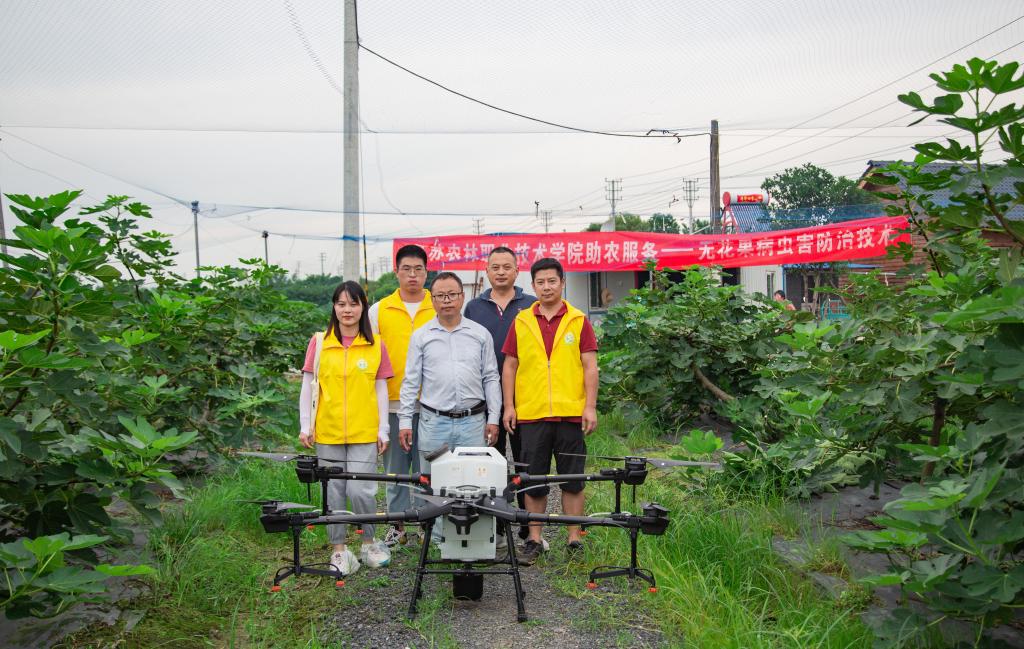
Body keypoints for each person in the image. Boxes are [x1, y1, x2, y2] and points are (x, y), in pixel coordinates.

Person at [501, 258, 599, 566]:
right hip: (532, 414)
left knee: (573, 479)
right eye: (540, 282)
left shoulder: (578, 320)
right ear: (533, 286)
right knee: (533, 480)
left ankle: (574, 538)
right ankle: (534, 539)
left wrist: (590, 406)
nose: (547, 287)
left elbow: (590, 366)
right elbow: (510, 366)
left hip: (570, 413)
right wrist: (509, 406)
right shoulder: (521, 321)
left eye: (552, 281)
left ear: (562, 283)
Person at [399, 272, 502, 542]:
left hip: (473, 422)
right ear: (432, 300)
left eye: (452, 295)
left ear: (462, 297)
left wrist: (494, 418)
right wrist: (405, 421)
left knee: (474, 480)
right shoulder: (421, 336)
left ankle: (472, 540)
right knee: (433, 482)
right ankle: (436, 540)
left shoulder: (479, 334)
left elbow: (491, 377)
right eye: (440, 296)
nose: (447, 301)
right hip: (434, 422)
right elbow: (411, 381)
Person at [299, 281, 392, 576]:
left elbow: (381, 390)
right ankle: (339, 550)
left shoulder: (376, 344)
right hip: (328, 431)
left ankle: (369, 543)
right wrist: (305, 425)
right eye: (341, 304)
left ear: (363, 307)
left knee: (361, 489)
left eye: (353, 303)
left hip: (364, 431)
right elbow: (308, 386)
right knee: (334, 491)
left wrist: (383, 429)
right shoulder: (319, 343)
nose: (347, 310)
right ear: (334, 307)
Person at [463, 246, 537, 541]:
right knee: (488, 463)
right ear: (487, 271)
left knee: (524, 463)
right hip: (484, 401)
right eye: (495, 267)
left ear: (517, 271)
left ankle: (526, 524)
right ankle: (494, 524)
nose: (501, 272)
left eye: (507, 267)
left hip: (525, 398)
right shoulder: (474, 308)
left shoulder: (530, 305)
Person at [369, 244, 436, 548]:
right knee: (395, 470)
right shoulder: (379, 310)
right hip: (393, 404)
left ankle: (426, 523)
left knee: (426, 468)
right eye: (406, 269)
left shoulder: (437, 305)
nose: (412, 275)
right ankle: (396, 525)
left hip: (432, 404)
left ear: (426, 272)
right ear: (396, 271)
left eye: (418, 269)